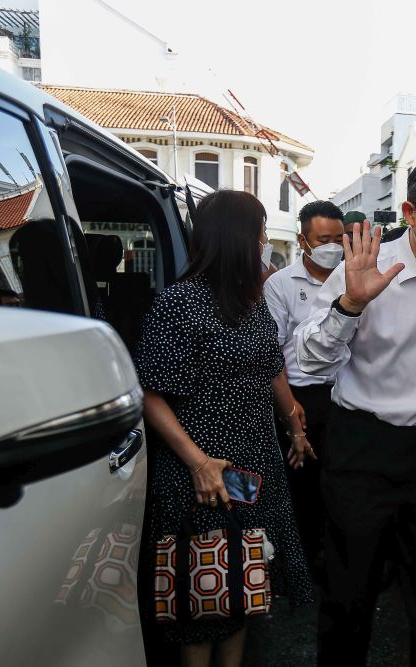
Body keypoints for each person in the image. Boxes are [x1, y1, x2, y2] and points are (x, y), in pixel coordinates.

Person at [295, 157, 416, 666]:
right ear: (410, 212)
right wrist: (350, 305)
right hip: (364, 451)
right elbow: (307, 358)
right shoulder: (365, 265)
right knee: (349, 590)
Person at [135, 189, 313, 667]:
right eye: (258, 233)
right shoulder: (179, 303)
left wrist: (293, 422)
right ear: (237, 238)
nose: (263, 243)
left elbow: (271, 363)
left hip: (254, 461)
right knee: (203, 591)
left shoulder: (250, 298)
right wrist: (198, 462)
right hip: (206, 467)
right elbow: (151, 395)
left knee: (243, 584)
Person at [263, 200, 345, 571]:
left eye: (338, 239)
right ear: (303, 240)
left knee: (342, 480)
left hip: (346, 395)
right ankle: (303, 561)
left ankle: (339, 557)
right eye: (323, 239)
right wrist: (289, 409)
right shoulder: (281, 284)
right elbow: (272, 350)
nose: (333, 247)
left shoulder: (354, 276)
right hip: (300, 398)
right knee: (303, 483)